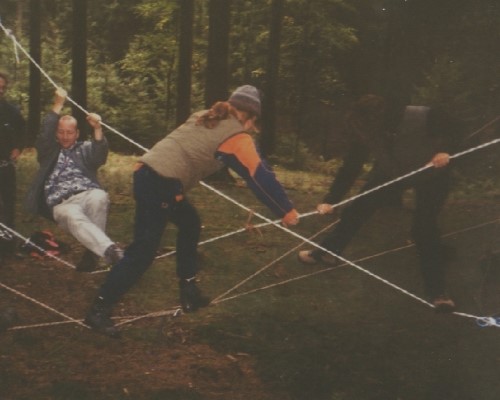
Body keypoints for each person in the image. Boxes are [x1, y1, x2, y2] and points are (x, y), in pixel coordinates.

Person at [84, 85, 300, 337]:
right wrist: (285, 211)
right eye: (253, 123)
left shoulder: (205, 114)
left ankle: (189, 292)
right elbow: (259, 176)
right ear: (248, 117)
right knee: (143, 251)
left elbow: (183, 150)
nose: (252, 129)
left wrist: (176, 187)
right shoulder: (237, 137)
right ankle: (98, 310)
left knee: (189, 222)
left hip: (151, 175)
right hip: (159, 183)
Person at [298, 94, 464, 312]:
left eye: (362, 127)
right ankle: (327, 252)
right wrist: (330, 200)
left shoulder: (424, 115)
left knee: (424, 228)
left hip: (433, 174)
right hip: (393, 171)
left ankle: (438, 293)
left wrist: (447, 152)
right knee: (358, 208)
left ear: (377, 118)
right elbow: (350, 167)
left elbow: (460, 133)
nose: (361, 134)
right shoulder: (367, 133)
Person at [24, 88, 123, 271]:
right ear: (56, 134)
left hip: (86, 194)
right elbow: (44, 134)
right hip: (61, 203)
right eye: (61, 132)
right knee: (73, 215)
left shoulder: (84, 149)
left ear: (77, 134)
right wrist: (58, 104)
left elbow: (99, 156)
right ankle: (110, 251)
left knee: (99, 196)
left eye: (70, 132)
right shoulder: (49, 152)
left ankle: (95, 253)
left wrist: (97, 128)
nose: (65, 136)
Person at [0, 71, 26, 264]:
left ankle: (7, 247)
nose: (0, 90)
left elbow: (23, 131)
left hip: (5, 167)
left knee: (8, 207)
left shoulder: (11, 111)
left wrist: (18, 147)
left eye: (2, 87)